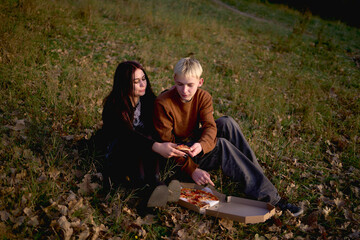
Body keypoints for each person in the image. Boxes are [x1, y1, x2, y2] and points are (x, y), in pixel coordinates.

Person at [153, 57, 303, 216]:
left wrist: (203, 145)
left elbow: (210, 127)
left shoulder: (203, 97)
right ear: (174, 79)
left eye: (190, 85)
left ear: (200, 82)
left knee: (227, 123)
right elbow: (168, 145)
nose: (185, 91)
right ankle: (273, 201)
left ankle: (256, 177)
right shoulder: (163, 103)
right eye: (180, 84)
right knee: (221, 145)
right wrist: (192, 170)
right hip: (175, 158)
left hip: (193, 146)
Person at [101, 61, 183, 212]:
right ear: (124, 84)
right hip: (119, 151)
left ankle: (159, 184)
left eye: (143, 79)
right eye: (136, 81)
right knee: (142, 143)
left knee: (151, 137)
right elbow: (127, 136)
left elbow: (160, 110)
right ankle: (149, 190)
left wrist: (171, 95)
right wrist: (156, 146)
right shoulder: (114, 106)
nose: (142, 84)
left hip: (144, 148)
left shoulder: (146, 101)